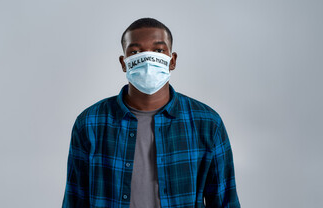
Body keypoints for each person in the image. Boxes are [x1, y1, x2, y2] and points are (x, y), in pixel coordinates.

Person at [62, 18, 241, 208]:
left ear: (172, 61)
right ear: (124, 63)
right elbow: (74, 200)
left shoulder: (207, 124)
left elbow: (225, 202)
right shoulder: (89, 123)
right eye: (136, 52)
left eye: (158, 51)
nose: (147, 60)